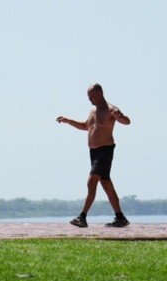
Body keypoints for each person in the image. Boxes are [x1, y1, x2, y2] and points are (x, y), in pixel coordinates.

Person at [56, 83, 131, 228]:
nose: (89, 99)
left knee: (92, 181)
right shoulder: (93, 110)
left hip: (105, 150)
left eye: (91, 96)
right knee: (106, 184)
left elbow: (127, 122)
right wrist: (68, 120)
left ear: (100, 93)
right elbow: (85, 126)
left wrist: (119, 116)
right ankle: (120, 218)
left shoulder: (111, 109)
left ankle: (82, 217)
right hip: (94, 152)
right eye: (88, 96)